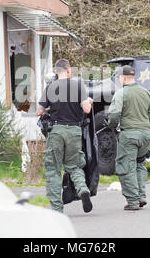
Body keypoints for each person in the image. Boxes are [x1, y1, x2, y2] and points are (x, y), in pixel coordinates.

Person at [36, 58, 93, 213]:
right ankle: (82, 190)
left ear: (56, 71)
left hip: (56, 131)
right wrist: (89, 101)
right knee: (74, 166)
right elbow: (87, 109)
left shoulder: (50, 87)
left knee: (53, 169)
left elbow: (38, 111)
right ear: (68, 70)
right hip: (74, 131)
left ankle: (56, 209)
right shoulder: (78, 86)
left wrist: (49, 109)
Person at [108, 65, 150, 210]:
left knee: (126, 167)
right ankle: (141, 196)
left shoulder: (121, 93)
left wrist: (112, 125)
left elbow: (115, 113)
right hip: (146, 135)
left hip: (129, 135)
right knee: (140, 164)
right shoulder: (146, 92)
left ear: (122, 77)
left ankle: (133, 201)